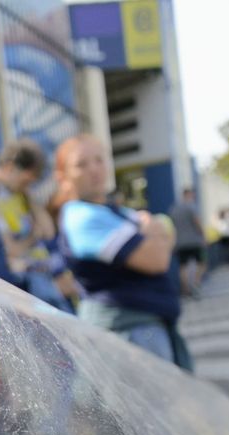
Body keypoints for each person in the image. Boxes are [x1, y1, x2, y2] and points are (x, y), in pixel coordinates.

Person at [53, 134, 188, 368]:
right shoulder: (82, 218)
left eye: (99, 160)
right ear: (63, 177)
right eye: (81, 164)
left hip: (143, 329)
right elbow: (157, 258)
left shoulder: (113, 211)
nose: (94, 169)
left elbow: (169, 239)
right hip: (128, 335)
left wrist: (152, 231)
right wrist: (150, 226)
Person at [0, 139, 78, 310]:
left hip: (45, 274)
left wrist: (28, 197)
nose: (28, 186)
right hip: (29, 281)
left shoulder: (21, 195)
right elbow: (12, 250)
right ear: (9, 167)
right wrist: (33, 236)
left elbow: (48, 231)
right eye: (26, 182)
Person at [169, 187, 207, 296]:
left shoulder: (174, 209)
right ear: (189, 194)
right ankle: (196, 282)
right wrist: (203, 236)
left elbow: (171, 226)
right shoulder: (191, 207)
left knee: (183, 266)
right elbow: (197, 222)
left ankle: (186, 289)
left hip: (180, 242)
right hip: (195, 241)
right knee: (202, 263)